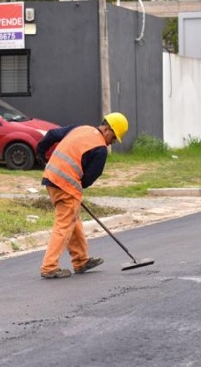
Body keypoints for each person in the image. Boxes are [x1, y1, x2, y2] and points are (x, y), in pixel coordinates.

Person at [36, 112, 130, 279]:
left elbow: (51, 135)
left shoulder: (80, 129)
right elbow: (89, 178)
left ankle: (81, 260)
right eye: (114, 137)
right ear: (107, 129)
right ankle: (49, 267)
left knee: (72, 219)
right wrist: (77, 184)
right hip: (66, 185)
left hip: (51, 177)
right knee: (64, 224)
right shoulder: (100, 149)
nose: (113, 142)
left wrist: (41, 154)